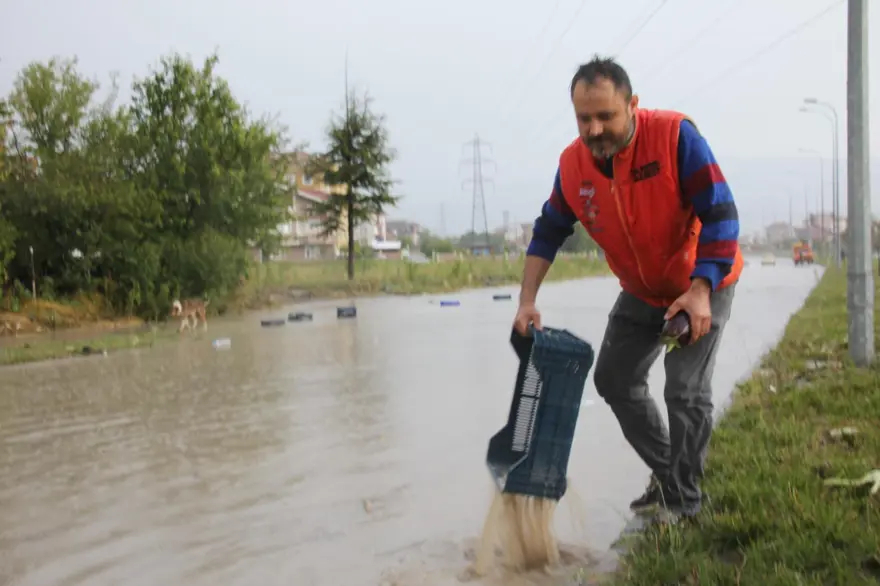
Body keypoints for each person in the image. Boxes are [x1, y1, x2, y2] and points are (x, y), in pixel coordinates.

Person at [513, 56, 742, 524]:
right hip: (641, 288)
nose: (594, 130)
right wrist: (527, 300)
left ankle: (687, 505)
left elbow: (721, 212)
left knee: (684, 390)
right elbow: (548, 230)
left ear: (632, 105)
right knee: (614, 380)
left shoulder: (676, 138)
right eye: (584, 119)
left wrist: (700, 290)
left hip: (702, 280)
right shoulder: (574, 166)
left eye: (606, 116)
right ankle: (669, 475)